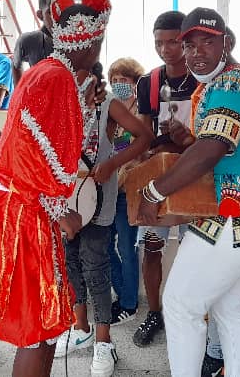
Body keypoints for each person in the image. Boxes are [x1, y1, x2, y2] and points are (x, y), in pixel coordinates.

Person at [137, 8, 240, 377]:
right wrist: (188, 140)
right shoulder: (222, 82)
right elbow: (218, 145)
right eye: (189, 44)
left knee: (180, 304)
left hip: (235, 220)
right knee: (231, 306)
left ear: (227, 43)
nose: (196, 52)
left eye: (208, 41)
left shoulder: (233, 86)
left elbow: (213, 148)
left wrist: (154, 191)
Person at [0, 0, 110, 377]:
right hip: (24, 212)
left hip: (26, 207)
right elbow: (29, 152)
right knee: (37, 325)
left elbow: (49, 140)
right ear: (93, 41)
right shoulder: (53, 78)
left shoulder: (54, 74)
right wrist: (59, 209)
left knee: (46, 323)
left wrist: (84, 103)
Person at [55, 61, 153, 377]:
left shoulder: (107, 103)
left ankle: (104, 341)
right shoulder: (58, 101)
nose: (78, 82)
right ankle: (79, 326)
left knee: (95, 265)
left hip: (98, 195)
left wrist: (113, 163)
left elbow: (144, 136)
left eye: (84, 77)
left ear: (94, 78)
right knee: (71, 262)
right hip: (65, 196)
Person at [131, 10, 198, 348]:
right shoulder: (149, 82)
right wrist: (139, 157)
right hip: (157, 177)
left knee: (195, 248)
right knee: (151, 247)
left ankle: (189, 313)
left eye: (173, 41)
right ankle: (154, 312)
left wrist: (188, 137)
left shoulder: (203, 81)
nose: (166, 49)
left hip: (194, 176)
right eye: (159, 43)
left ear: (186, 41)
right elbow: (142, 132)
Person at [105, 57, 146, 327]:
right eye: (115, 80)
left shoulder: (141, 111)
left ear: (135, 82)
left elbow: (140, 153)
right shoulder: (110, 109)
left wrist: (118, 175)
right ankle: (124, 294)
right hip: (107, 189)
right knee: (105, 246)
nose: (119, 85)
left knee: (126, 248)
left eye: (125, 80)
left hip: (129, 189)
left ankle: (129, 303)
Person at [10, 0, 67, 87]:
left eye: (63, 11)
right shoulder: (27, 40)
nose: (58, 18)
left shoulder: (78, 42)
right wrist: (19, 92)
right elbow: (15, 65)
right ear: (40, 15)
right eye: (51, 12)